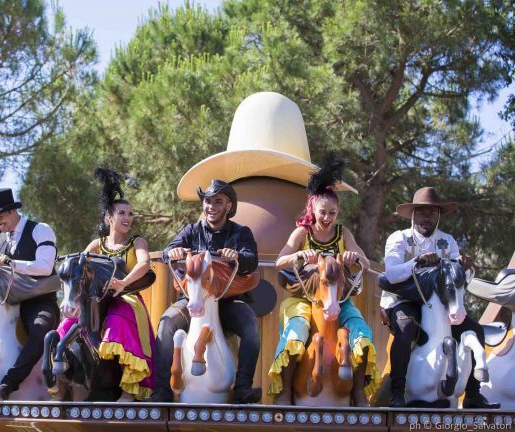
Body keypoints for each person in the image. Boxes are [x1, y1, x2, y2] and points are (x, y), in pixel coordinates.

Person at [268, 154, 378, 406]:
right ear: (312, 210)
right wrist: (297, 254)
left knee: (361, 332)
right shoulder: (302, 232)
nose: (327, 218)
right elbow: (278, 262)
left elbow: (366, 263)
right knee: (296, 332)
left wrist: (353, 257)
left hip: (339, 297)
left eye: (332, 213)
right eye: (323, 212)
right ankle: (284, 389)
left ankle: (359, 390)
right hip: (303, 299)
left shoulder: (344, 233)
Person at [381, 187, 499, 408]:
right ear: (413, 214)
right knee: (405, 329)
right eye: (423, 212)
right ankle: (396, 392)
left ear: (438, 216)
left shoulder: (448, 241)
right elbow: (392, 273)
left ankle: (473, 394)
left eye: (432, 212)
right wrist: (418, 261)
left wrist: (466, 268)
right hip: (406, 300)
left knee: (476, 330)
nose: (427, 217)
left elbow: (458, 277)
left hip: (441, 305)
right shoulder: (399, 238)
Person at [149, 179, 261, 404]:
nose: (211, 206)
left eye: (217, 202)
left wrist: (237, 256)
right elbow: (167, 252)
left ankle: (242, 388)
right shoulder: (191, 230)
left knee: (251, 327)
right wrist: (173, 252)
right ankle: (161, 390)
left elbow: (251, 261)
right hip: (193, 299)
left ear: (229, 206)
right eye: (208, 201)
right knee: (166, 324)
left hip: (228, 301)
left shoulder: (241, 233)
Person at [82, 168, 155, 400]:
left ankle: (128, 390)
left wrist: (123, 283)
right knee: (71, 323)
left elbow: (144, 264)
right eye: (121, 212)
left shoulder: (137, 241)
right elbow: (79, 268)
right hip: (98, 298)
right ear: (108, 217)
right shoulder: (96, 244)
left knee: (116, 321)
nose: (127, 218)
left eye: (130, 213)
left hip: (128, 298)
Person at [0, 188, 60, 401]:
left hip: (38, 302)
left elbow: (45, 267)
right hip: (6, 303)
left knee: (40, 329)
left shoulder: (40, 230)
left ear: (11, 211)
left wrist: (10, 263)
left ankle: (9, 383)